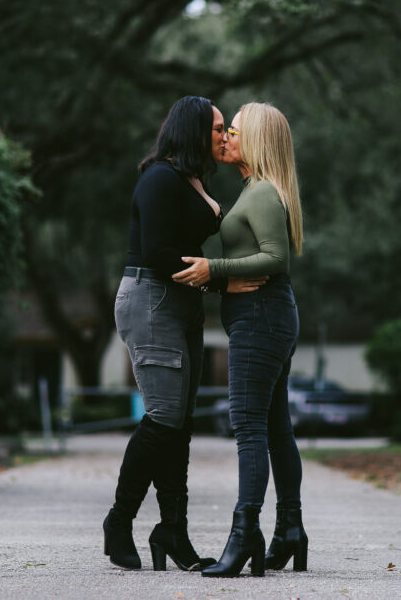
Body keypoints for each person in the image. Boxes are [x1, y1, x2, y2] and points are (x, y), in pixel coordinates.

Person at [104, 96, 265, 572]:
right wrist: (221, 278)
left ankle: (173, 530)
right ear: (193, 131)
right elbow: (156, 251)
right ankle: (119, 520)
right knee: (163, 417)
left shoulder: (194, 179)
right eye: (217, 128)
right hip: (151, 297)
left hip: (183, 304)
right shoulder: (159, 177)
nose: (224, 135)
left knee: (180, 423)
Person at [173, 102, 307, 578]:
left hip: (262, 317)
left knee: (249, 426)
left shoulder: (265, 193)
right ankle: (290, 529)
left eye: (232, 130)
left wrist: (216, 269)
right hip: (264, 317)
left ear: (255, 140)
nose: (224, 137)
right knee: (274, 427)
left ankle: (245, 532)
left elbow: (275, 258)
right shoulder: (254, 190)